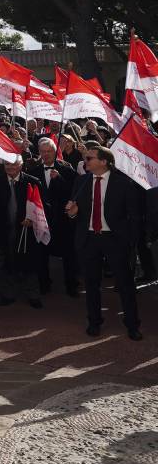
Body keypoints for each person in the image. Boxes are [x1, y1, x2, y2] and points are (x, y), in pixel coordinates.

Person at [64, 146, 144, 341]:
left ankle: (132, 324)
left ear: (104, 161)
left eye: (90, 158)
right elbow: (75, 213)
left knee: (124, 284)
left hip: (115, 239)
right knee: (91, 283)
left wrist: (131, 241)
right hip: (89, 238)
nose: (86, 161)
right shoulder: (82, 181)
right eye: (85, 158)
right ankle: (94, 321)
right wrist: (72, 213)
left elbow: (134, 216)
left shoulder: (123, 183)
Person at [26, 138, 78, 296]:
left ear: (55, 152)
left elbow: (74, 191)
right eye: (43, 151)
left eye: (49, 151)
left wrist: (59, 179)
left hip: (62, 219)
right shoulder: (33, 171)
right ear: (39, 153)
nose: (46, 154)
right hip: (42, 219)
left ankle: (71, 285)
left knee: (69, 254)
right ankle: (44, 284)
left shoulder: (67, 169)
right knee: (41, 254)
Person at [0, 161, 45, 309]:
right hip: (3, 230)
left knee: (29, 263)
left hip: (26, 230)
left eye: (14, 165)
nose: (10, 167)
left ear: (20, 165)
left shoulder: (33, 182)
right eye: (7, 164)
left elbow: (44, 206)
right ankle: (8, 294)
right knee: (5, 263)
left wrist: (33, 219)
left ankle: (33, 295)